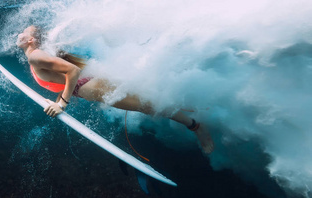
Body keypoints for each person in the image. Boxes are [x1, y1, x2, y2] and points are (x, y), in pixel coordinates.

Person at [16, 25, 214, 154]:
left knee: (150, 106)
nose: (19, 34)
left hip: (92, 86)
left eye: (24, 32)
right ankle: (191, 112)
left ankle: (196, 125)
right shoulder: (36, 56)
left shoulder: (35, 56)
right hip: (91, 85)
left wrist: (62, 104)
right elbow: (64, 77)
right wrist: (61, 96)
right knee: (148, 102)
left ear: (31, 40)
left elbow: (73, 71)